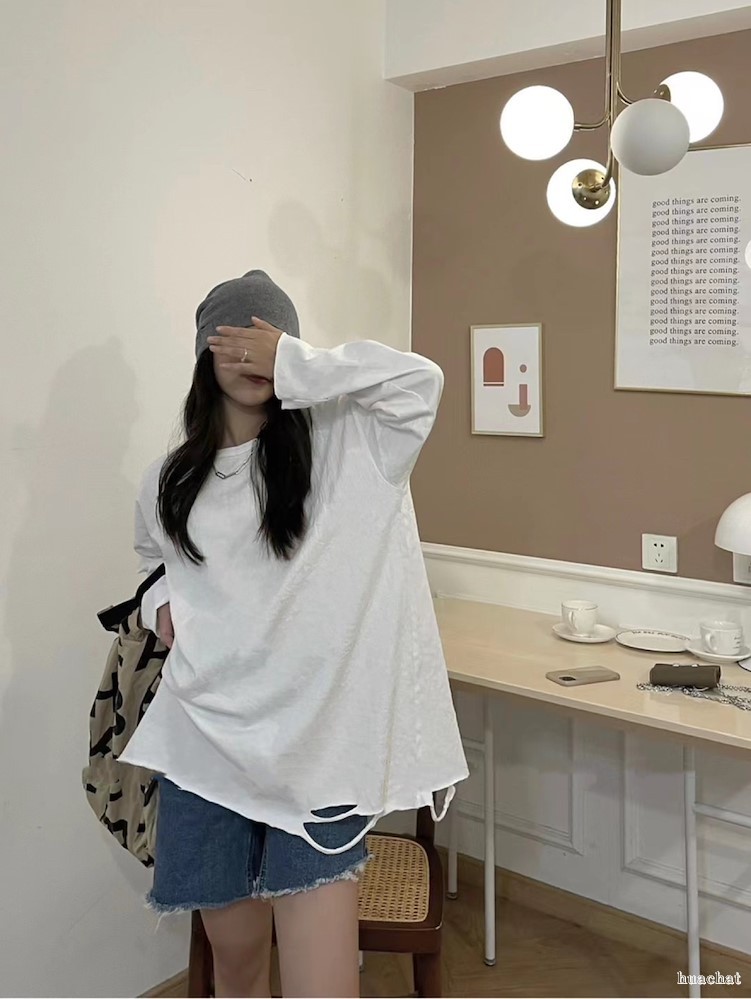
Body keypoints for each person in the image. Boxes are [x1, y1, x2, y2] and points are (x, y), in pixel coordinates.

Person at [119, 269, 468, 998]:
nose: (252, 358)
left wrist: (297, 363)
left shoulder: (354, 445)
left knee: (322, 984)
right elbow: (153, 558)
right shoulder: (167, 480)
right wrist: (161, 603)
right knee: (237, 967)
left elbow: (421, 382)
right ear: (203, 353)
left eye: (267, 341)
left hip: (318, 757)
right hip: (204, 748)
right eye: (235, 341)